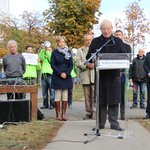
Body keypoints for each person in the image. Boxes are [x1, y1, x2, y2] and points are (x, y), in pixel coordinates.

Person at [86, 19, 126, 131]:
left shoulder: (117, 41)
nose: (106, 31)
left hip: (114, 77)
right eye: (104, 29)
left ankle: (114, 123)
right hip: (101, 76)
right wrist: (93, 58)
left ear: (112, 29)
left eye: (108, 28)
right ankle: (100, 123)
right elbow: (89, 56)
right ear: (100, 30)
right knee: (101, 100)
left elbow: (124, 56)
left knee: (114, 100)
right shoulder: (96, 42)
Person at [51, 36, 73, 121]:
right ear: (57, 43)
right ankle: (58, 114)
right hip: (57, 76)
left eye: (63, 42)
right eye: (60, 42)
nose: (62, 43)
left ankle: (64, 114)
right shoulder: (54, 53)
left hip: (66, 76)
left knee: (65, 95)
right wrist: (60, 73)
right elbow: (52, 64)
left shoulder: (69, 52)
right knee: (57, 96)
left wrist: (66, 73)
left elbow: (71, 64)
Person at [75, 34, 96, 120]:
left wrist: (95, 65)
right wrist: (86, 65)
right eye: (87, 40)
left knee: (95, 95)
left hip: (95, 76)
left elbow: (101, 60)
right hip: (85, 75)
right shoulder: (80, 50)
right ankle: (89, 112)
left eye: (90, 40)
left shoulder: (96, 49)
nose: (88, 41)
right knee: (87, 96)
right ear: (84, 40)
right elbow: (77, 63)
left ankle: (96, 112)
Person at [115, 30, 131, 120]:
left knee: (123, 94)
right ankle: (114, 114)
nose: (118, 36)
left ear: (122, 36)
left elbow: (128, 59)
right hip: (114, 74)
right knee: (115, 94)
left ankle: (123, 114)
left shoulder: (127, 47)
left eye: (119, 35)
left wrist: (122, 69)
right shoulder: (111, 47)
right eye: (116, 35)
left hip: (123, 73)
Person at [39, 41, 55, 109]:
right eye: (47, 49)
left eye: (49, 49)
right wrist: (43, 49)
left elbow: (50, 57)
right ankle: (45, 104)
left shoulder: (52, 56)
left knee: (52, 90)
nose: (47, 50)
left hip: (50, 74)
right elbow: (40, 56)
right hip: (44, 74)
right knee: (44, 91)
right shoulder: (45, 57)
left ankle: (52, 104)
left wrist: (48, 50)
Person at [143, 51, 150, 119]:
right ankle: (148, 113)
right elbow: (144, 65)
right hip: (149, 79)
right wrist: (148, 73)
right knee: (149, 97)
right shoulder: (148, 54)